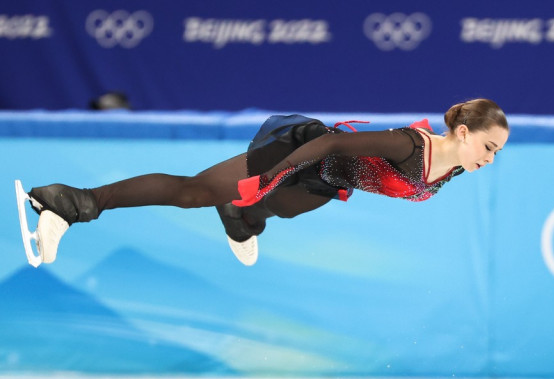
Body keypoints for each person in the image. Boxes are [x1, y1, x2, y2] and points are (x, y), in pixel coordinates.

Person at [23, 98, 509, 266]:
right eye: (489, 147)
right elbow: (336, 145)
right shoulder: (411, 145)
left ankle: (239, 217)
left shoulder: (455, 167)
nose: (491, 158)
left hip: (321, 185)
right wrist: (273, 174)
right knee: (194, 192)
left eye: (498, 153)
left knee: (263, 215)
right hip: (302, 153)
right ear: (463, 132)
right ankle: (71, 202)